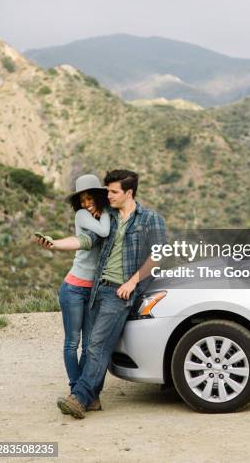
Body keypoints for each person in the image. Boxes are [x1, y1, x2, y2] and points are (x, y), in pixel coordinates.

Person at [36, 169, 166, 419]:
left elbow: (158, 256)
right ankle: (92, 398)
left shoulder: (150, 219)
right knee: (95, 346)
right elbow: (84, 241)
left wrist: (132, 281)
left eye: (113, 192)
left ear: (129, 193)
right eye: (107, 191)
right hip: (98, 289)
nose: (108, 195)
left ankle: (80, 397)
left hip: (120, 291)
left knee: (95, 345)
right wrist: (55, 244)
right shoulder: (108, 217)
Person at [34, 174, 110, 406]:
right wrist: (55, 244)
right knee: (72, 343)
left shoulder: (104, 214)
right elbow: (104, 232)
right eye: (83, 200)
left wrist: (104, 211)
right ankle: (76, 391)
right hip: (74, 288)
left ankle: (85, 394)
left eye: (90, 199)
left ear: (98, 196)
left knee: (88, 344)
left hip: (93, 290)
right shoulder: (83, 215)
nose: (86, 204)